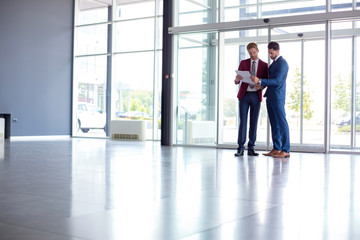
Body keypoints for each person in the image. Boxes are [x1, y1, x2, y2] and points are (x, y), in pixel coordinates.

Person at [251, 41, 290, 158]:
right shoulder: (273, 64)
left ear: (278, 51)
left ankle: (286, 149)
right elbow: (270, 80)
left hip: (278, 97)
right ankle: (277, 148)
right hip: (271, 97)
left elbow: (278, 81)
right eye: (269, 53)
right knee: (274, 124)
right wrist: (261, 85)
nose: (270, 55)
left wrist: (260, 80)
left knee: (282, 123)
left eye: (272, 53)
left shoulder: (283, 63)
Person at [234, 42, 269, 157]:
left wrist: (261, 85)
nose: (252, 55)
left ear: (257, 50)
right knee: (243, 122)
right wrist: (236, 79)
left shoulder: (264, 65)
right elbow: (237, 80)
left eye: (254, 52)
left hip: (256, 95)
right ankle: (240, 148)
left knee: (253, 123)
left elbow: (265, 81)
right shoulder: (243, 63)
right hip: (244, 95)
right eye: (250, 53)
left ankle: (251, 148)